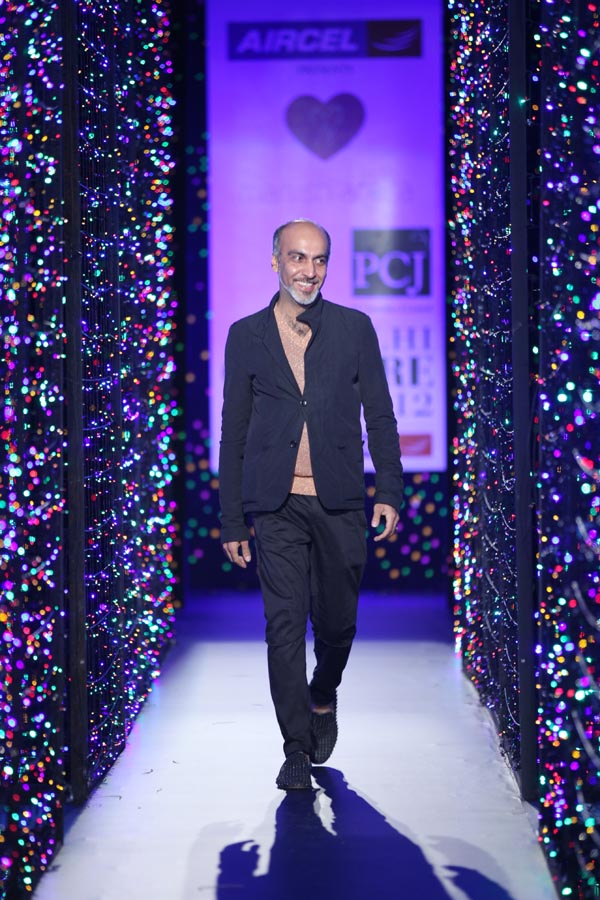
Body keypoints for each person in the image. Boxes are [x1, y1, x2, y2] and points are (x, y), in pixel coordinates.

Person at [218, 218, 404, 790]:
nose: (309, 270)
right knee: (283, 628)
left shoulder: (354, 328)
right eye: (298, 258)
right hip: (275, 505)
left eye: (319, 259)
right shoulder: (246, 335)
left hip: (340, 500)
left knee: (338, 625)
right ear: (275, 260)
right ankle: (295, 747)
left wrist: (389, 491)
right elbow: (233, 431)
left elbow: (380, 414)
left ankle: (323, 694)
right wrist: (232, 517)